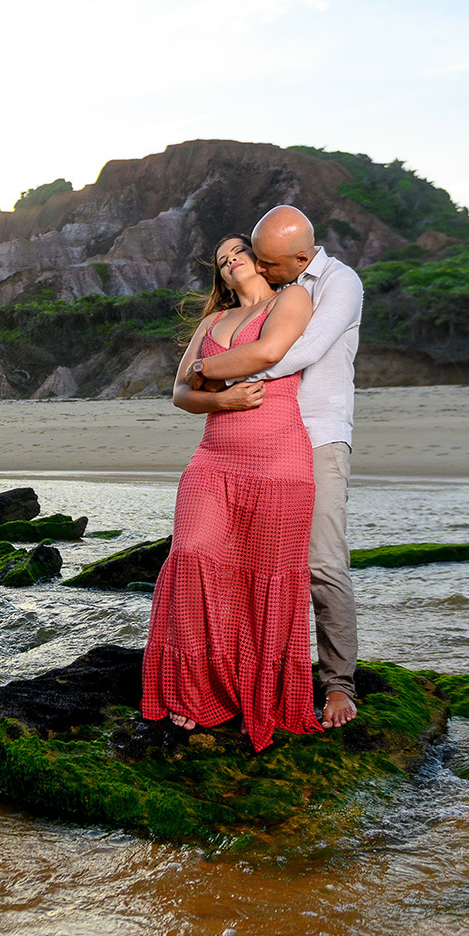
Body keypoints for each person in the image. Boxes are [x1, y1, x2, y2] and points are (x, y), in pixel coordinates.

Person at [141, 232, 323, 753]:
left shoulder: (292, 298)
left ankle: (257, 697)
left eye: (238, 252)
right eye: (221, 261)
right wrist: (223, 399)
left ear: (262, 262)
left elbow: (268, 352)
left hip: (280, 460)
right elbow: (180, 396)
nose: (230, 262)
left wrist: (205, 372)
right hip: (213, 458)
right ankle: (196, 692)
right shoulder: (211, 323)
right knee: (193, 555)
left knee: (266, 576)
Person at [190, 205, 363, 730]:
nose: (257, 269)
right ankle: (243, 676)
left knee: (322, 563)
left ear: (301, 257)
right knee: (252, 564)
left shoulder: (338, 282)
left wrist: (211, 372)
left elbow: (297, 351)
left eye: (265, 262)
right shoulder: (277, 290)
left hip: (318, 438)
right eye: (250, 260)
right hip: (265, 443)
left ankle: (338, 684)